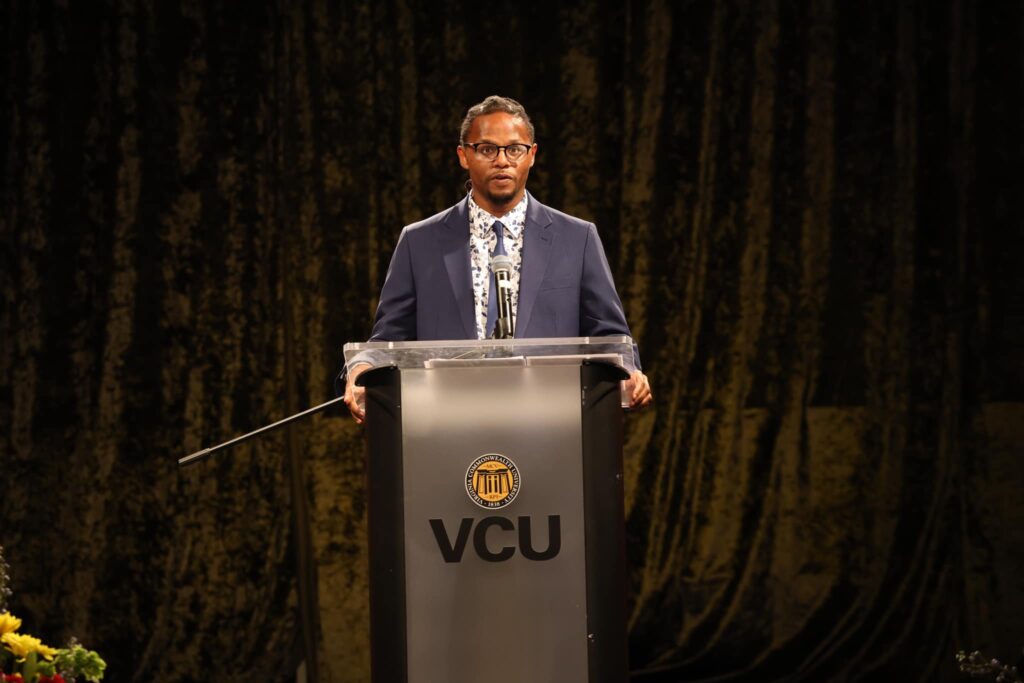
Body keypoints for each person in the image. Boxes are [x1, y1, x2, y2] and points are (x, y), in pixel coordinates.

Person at [342, 95, 652, 423]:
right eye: (487, 149)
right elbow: (389, 339)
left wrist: (629, 371)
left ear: (532, 156)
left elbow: (610, 337)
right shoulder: (419, 242)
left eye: (514, 149)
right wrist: (362, 369)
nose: (502, 160)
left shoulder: (577, 239)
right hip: (446, 425)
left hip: (551, 426)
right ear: (464, 155)